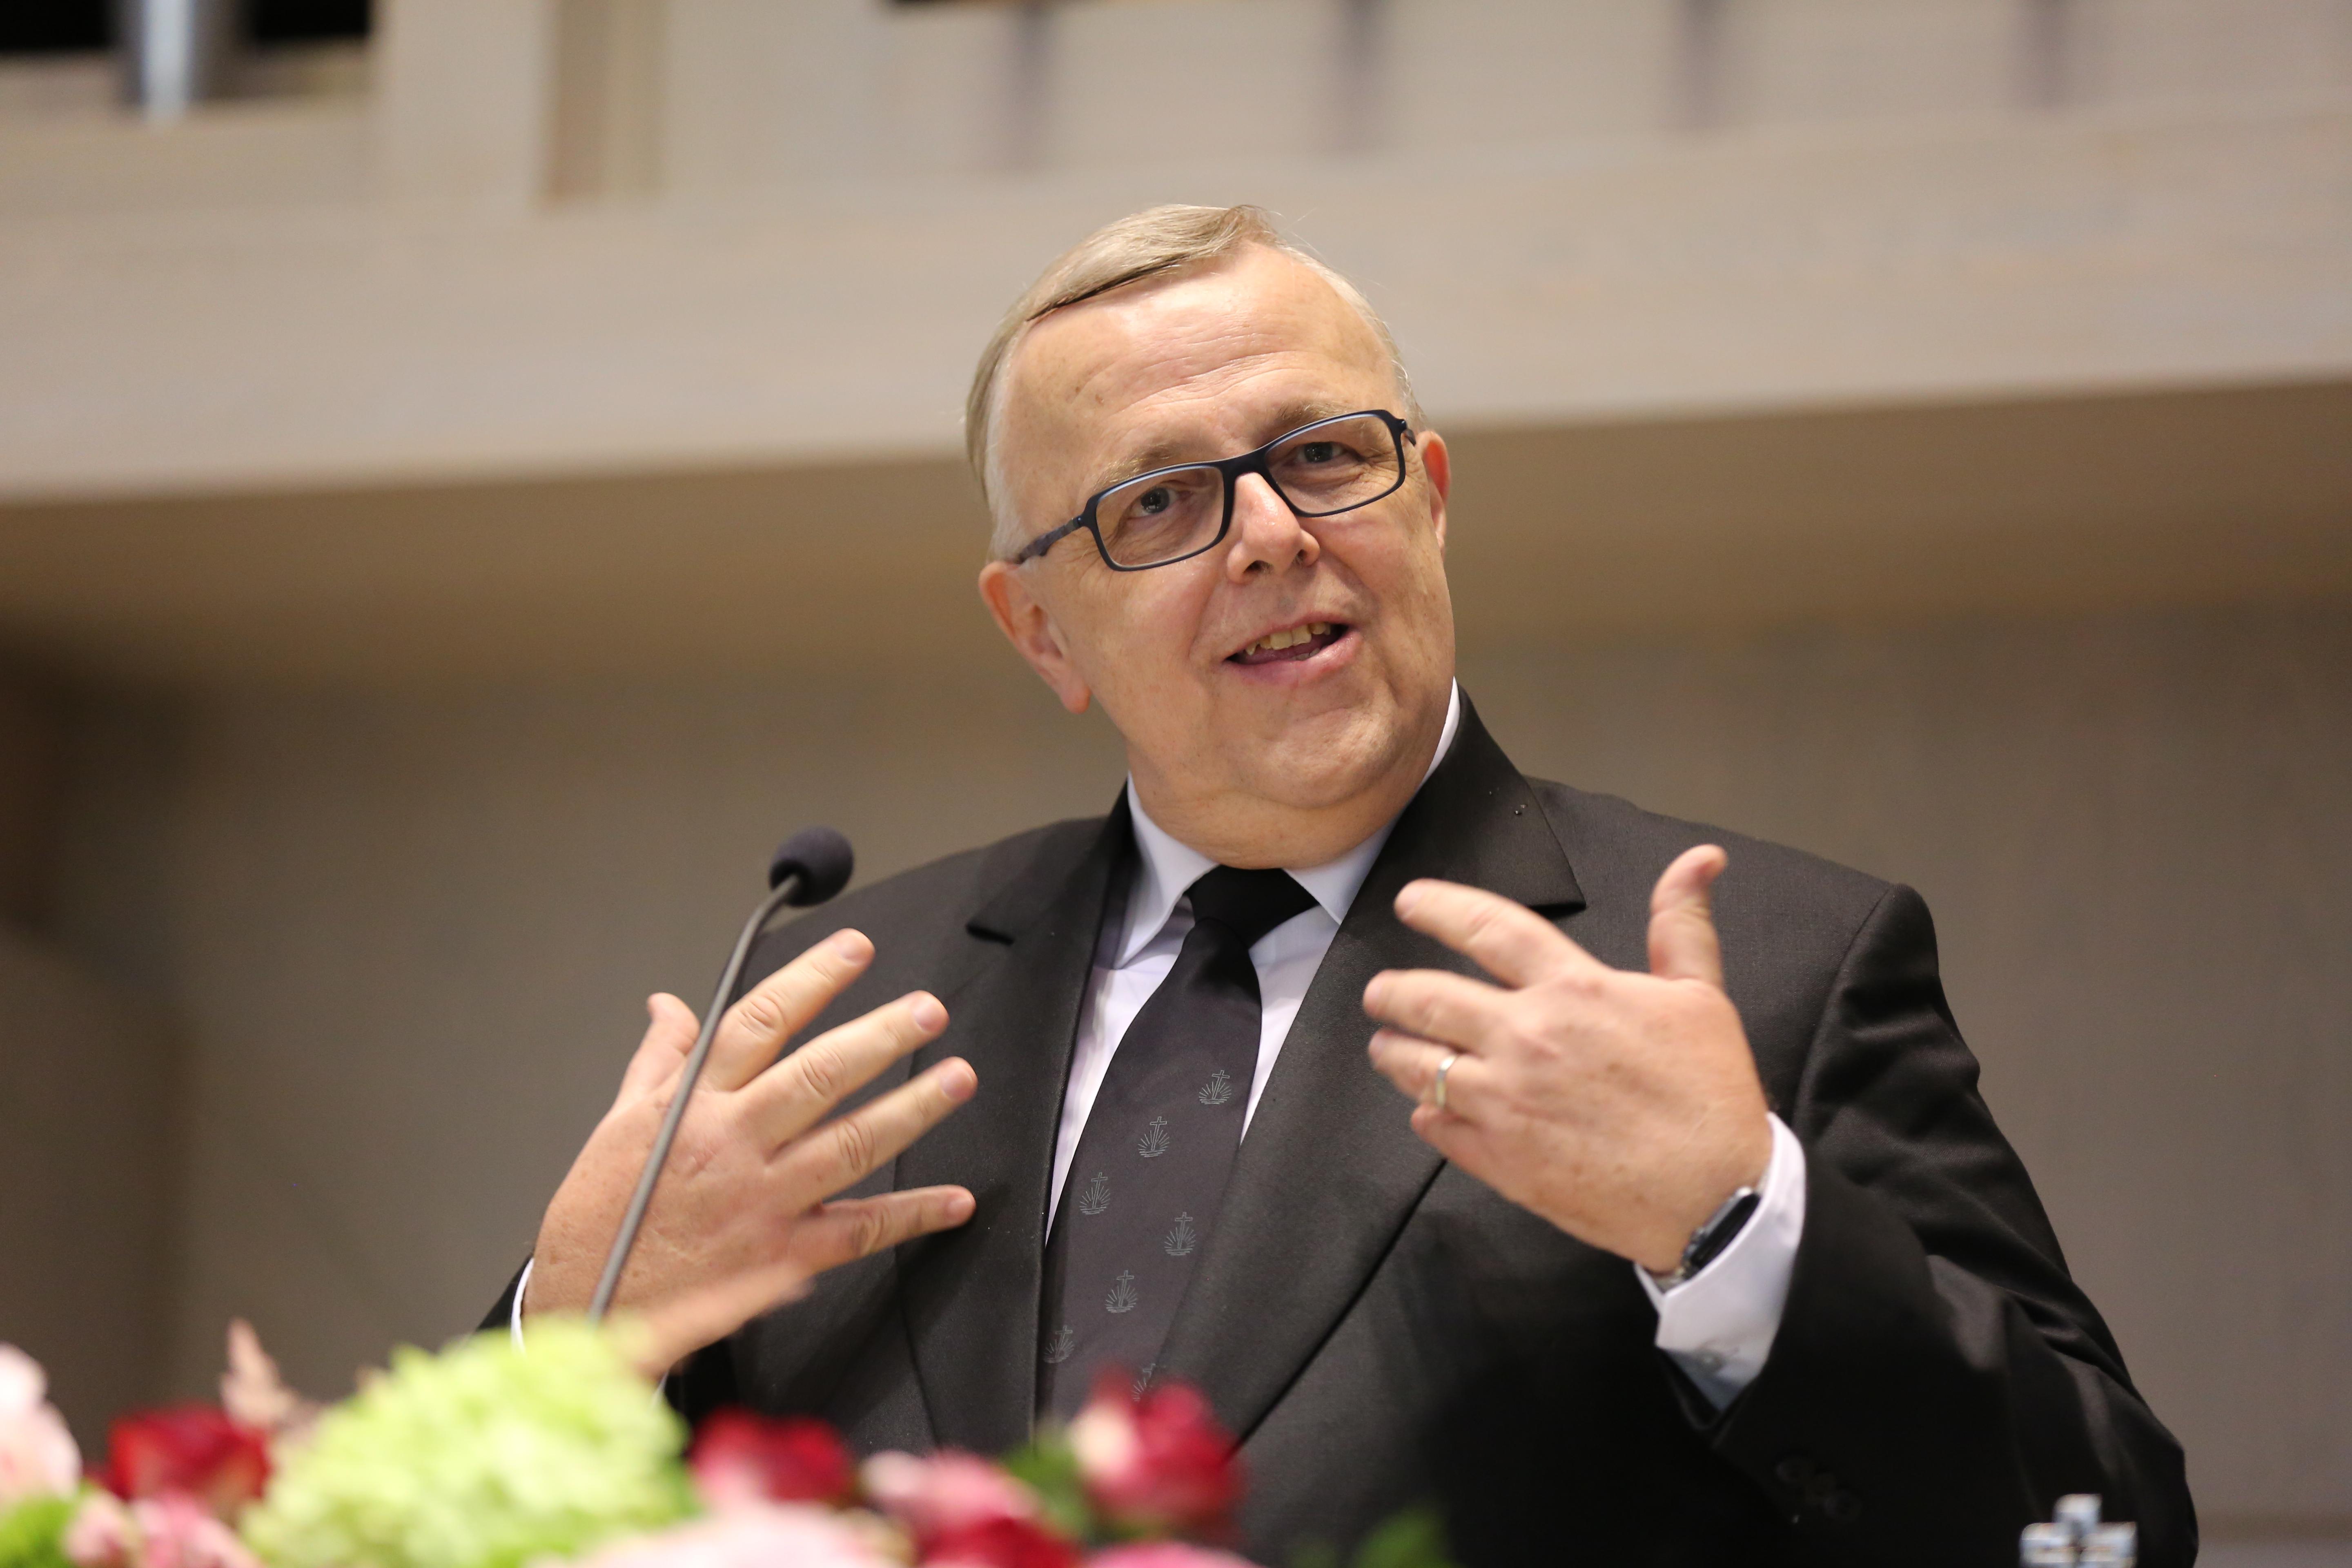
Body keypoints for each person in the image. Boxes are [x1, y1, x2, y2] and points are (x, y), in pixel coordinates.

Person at [490, 205, 2193, 1564]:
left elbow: (2100, 1532)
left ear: (1429, 501)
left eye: (1321, 455)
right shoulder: (847, 1013)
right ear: (1040, 630)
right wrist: (578, 1329)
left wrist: (1741, 1228)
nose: (1268, 534)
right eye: (1160, 501)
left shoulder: (1769, 971)